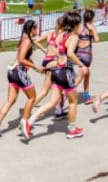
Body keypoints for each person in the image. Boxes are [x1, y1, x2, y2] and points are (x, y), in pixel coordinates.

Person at [28, 10, 86, 139]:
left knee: (53, 102)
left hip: (57, 71)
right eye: (80, 24)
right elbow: (70, 53)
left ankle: (29, 121)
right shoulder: (74, 37)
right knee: (73, 101)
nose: (81, 27)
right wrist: (81, 64)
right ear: (76, 24)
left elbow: (58, 53)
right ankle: (72, 129)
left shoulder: (61, 35)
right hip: (66, 72)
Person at [0, 19, 45, 140]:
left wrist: (34, 66)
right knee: (32, 97)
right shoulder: (27, 41)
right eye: (36, 28)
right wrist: (36, 67)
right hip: (18, 71)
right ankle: (24, 123)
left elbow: (24, 58)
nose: (37, 31)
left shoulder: (25, 39)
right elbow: (21, 59)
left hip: (12, 71)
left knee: (11, 101)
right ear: (31, 29)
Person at [76, 9, 100, 104]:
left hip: (78, 53)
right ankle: (66, 93)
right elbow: (97, 40)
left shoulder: (79, 27)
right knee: (80, 76)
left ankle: (86, 95)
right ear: (92, 18)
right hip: (87, 54)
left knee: (87, 73)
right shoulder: (92, 27)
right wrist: (92, 35)